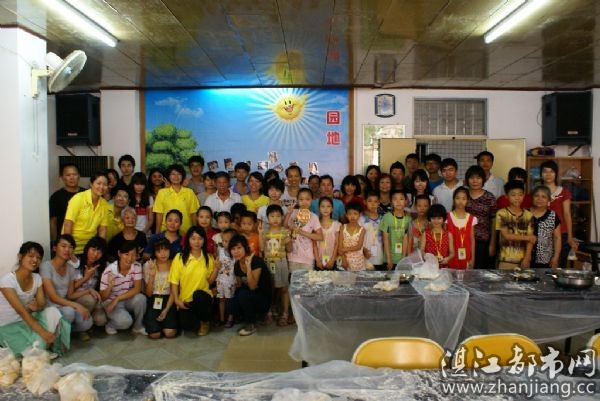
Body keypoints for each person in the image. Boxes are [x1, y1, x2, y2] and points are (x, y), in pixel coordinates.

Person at [0, 242, 70, 356]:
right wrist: (43, 332)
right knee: (39, 346)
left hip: (28, 319)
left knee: (53, 312)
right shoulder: (7, 281)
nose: (35, 260)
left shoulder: (37, 278)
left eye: (38, 257)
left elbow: (42, 303)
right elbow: (21, 311)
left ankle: (46, 342)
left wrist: (37, 307)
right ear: (20, 256)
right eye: (31, 256)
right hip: (9, 325)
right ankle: (45, 342)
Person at [40, 234, 93, 341]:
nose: (67, 250)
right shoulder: (46, 266)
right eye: (63, 246)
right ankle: (57, 338)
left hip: (65, 305)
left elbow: (70, 295)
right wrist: (77, 306)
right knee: (69, 312)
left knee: (88, 322)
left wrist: (88, 290)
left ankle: (64, 330)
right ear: (55, 248)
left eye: (70, 247)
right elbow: (53, 297)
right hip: (51, 307)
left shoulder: (70, 268)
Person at [169, 226, 217, 337]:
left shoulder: (208, 258)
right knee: (188, 326)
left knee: (198, 295)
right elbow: (174, 281)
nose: (197, 242)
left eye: (200, 238)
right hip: (186, 300)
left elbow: (210, 281)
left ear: (204, 240)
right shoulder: (179, 257)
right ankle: (198, 320)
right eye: (193, 238)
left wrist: (216, 269)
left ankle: (205, 322)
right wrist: (176, 300)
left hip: (203, 297)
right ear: (188, 240)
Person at [227, 234, 273, 336]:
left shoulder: (256, 261)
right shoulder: (237, 265)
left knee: (243, 294)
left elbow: (252, 286)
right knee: (232, 301)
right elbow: (239, 285)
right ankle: (247, 316)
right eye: (233, 249)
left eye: (239, 248)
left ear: (245, 248)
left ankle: (251, 324)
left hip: (263, 299)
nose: (236, 251)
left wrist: (248, 268)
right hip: (250, 296)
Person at [99, 240, 147, 335]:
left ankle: (138, 326)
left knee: (141, 299)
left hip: (124, 298)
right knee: (126, 322)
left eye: (133, 255)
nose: (130, 258)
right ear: (119, 253)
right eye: (126, 254)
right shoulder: (109, 271)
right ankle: (110, 324)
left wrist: (117, 299)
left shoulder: (137, 266)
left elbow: (137, 289)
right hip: (110, 301)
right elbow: (103, 297)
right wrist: (110, 287)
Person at [63, 170, 110, 255]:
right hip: (72, 246)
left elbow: (102, 229)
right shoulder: (78, 199)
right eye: (98, 183)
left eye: (105, 184)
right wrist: (68, 249)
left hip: (90, 248)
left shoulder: (105, 205)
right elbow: (68, 224)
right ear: (91, 184)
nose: (102, 187)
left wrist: (99, 249)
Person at [540, 160, 577, 267]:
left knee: (559, 267)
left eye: (551, 171)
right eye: (545, 171)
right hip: (542, 235)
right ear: (541, 174)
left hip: (562, 234)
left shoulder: (563, 192)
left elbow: (567, 214)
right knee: (542, 267)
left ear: (556, 174)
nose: (548, 174)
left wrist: (570, 237)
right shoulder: (537, 192)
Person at [260, 205, 292, 326]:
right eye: (272, 216)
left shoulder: (285, 231)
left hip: (281, 262)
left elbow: (290, 249)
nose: (275, 219)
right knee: (269, 289)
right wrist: (259, 234)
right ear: (267, 218)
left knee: (284, 288)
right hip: (268, 262)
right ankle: (268, 313)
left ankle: (285, 314)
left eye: (278, 216)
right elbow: (261, 248)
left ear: (282, 217)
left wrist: (289, 240)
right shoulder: (265, 232)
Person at [496, 180, 535, 270]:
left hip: (523, 260)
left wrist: (527, 258)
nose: (517, 198)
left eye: (520, 194)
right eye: (513, 195)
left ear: (524, 196)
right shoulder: (502, 213)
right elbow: (506, 235)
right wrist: (527, 238)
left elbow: (531, 240)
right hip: (506, 260)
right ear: (506, 196)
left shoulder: (529, 215)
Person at [143, 238, 177, 339]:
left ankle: (166, 324)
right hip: (154, 298)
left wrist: (166, 309)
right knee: (155, 334)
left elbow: (174, 291)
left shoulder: (174, 264)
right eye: (159, 251)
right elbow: (148, 293)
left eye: (165, 250)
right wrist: (152, 276)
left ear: (170, 250)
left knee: (169, 333)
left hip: (169, 299)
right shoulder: (149, 265)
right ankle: (157, 325)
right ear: (154, 252)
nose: (163, 254)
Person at [70, 236, 107, 328]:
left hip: (93, 298)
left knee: (101, 321)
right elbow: (71, 289)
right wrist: (86, 278)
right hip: (75, 297)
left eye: (99, 252)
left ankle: (87, 321)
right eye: (93, 250)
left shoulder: (102, 266)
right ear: (87, 248)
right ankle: (82, 325)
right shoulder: (76, 263)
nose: (95, 254)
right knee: (89, 300)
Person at [465, 165, 497, 269]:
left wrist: (492, 244)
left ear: (483, 180)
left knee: (481, 272)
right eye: (472, 178)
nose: (475, 181)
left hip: (483, 242)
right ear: (467, 180)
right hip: (464, 241)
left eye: (478, 178)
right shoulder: (463, 195)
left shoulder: (489, 197)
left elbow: (494, 221)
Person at [153, 164, 200, 235]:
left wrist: (194, 232)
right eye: (173, 174)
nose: (176, 177)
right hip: (166, 232)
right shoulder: (162, 192)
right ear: (168, 176)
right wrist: (157, 233)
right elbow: (159, 214)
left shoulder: (189, 192)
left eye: (179, 174)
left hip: (186, 233)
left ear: (183, 176)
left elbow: (193, 214)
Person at [287, 188, 324, 271]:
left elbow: (320, 237)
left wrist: (302, 232)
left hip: (308, 257)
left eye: (307, 199)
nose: (304, 202)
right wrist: (288, 214)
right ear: (297, 200)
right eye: (301, 199)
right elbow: (285, 227)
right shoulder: (293, 213)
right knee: (294, 278)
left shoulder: (314, 217)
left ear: (312, 200)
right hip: (293, 256)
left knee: (308, 279)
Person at [49, 163, 84, 244]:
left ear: (79, 176)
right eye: (68, 175)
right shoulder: (56, 197)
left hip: (84, 238)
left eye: (74, 174)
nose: (72, 178)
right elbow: (53, 221)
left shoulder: (86, 193)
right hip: (64, 240)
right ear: (62, 177)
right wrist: (55, 242)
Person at [530, 186, 561, 269]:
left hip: (545, 259)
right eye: (536, 196)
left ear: (548, 200)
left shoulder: (553, 215)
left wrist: (556, 257)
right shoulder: (525, 214)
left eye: (543, 197)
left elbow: (557, 238)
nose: (539, 199)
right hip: (525, 258)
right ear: (532, 197)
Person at [380, 190, 411, 270]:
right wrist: (389, 258)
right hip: (389, 258)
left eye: (401, 199)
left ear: (406, 201)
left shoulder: (409, 219)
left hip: (403, 258)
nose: (398, 202)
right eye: (395, 199)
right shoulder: (387, 217)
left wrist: (404, 259)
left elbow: (407, 239)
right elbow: (385, 239)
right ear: (391, 202)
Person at [447, 187, 477, 270]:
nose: (460, 201)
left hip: (466, 256)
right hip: (450, 256)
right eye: (457, 198)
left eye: (464, 199)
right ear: (453, 199)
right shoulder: (447, 217)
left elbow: (472, 240)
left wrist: (473, 259)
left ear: (468, 201)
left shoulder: (472, 218)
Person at [215, 228, 237, 328]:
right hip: (220, 281)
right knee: (221, 300)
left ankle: (230, 319)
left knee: (230, 300)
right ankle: (221, 319)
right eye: (224, 241)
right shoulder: (220, 251)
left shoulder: (236, 253)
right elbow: (217, 263)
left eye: (228, 241)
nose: (225, 243)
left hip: (231, 281)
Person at [313, 197, 341, 270]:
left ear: (332, 209)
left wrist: (332, 260)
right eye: (323, 206)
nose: (325, 209)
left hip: (332, 260)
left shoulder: (337, 224)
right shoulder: (315, 224)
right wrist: (318, 260)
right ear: (319, 209)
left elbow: (337, 244)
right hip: (318, 260)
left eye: (328, 206)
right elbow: (314, 244)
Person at [338, 202, 366, 271]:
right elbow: (340, 245)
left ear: (359, 215)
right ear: (346, 215)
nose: (352, 216)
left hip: (357, 261)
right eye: (350, 214)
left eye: (355, 214)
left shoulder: (362, 230)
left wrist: (344, 249)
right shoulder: (342, 227)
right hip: (344, 260)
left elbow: (358, 246)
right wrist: (343, 259)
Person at [360, 192, 384, 270]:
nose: (373, 204)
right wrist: (363, 250)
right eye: (370, 201)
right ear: (365, 202)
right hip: (366, 254)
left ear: (379, 203)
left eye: (375, 201)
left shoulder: (383, 218)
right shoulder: (361, 217)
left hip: (380, 255)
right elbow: (357, 237)